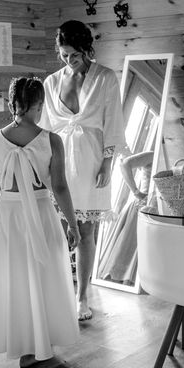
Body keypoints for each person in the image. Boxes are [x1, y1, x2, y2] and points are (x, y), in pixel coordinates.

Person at [0, 77, 80, 368]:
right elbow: (59, 187)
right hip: (43, 212)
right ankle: (41, 341)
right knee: (44, 275)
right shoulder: (51, 140)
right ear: (39, 104)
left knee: (16, 276)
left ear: (12, 104)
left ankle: (22, 344)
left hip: (8, 217)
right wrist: (72, 223)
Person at [39, 20, 126, 320]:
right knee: (60, 231)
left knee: (85, 230)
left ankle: (82, 296)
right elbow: (45, 128)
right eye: (63, 55)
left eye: (74, 55)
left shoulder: (105, 77)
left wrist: (107, 161)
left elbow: (114, 121)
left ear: (87, 49)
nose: (69, 60)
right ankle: (61, 290)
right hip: (59, 160)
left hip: (91, 160)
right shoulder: (51, 83)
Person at [96, 150, 152, 285]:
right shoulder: (152, 154)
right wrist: (136, 192)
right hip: (142, 207)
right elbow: (124, 164)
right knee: (127, 249)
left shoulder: (170, 158)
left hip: (155, 211)